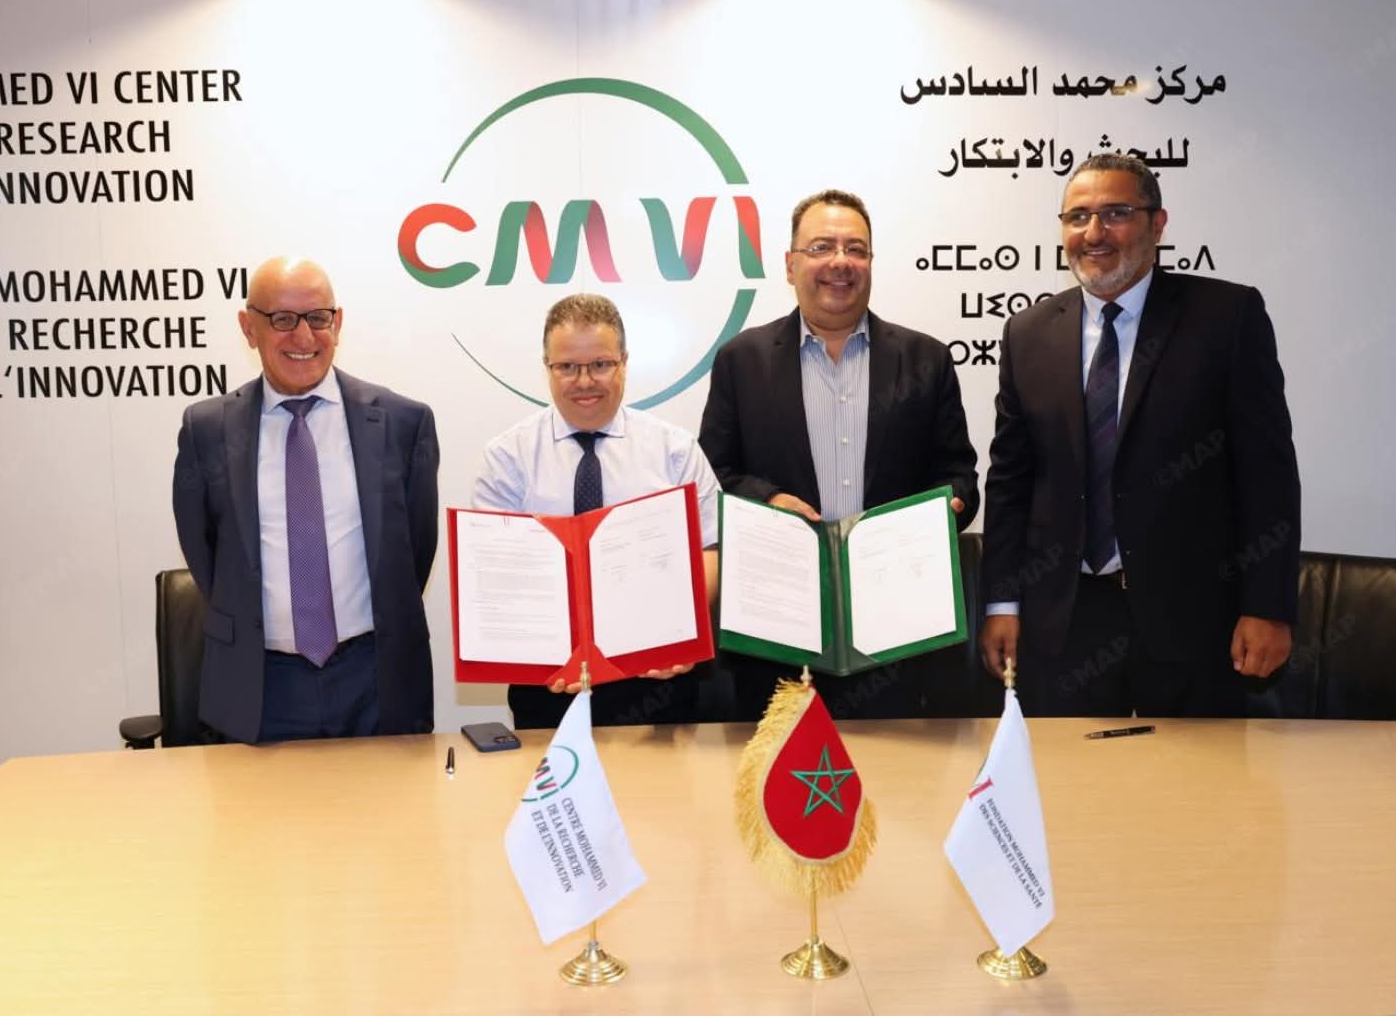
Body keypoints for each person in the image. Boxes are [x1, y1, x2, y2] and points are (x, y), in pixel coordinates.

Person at [979, 153, 1300, 717]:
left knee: (1198, 776)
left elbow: (1266, 474)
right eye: (1078, 217)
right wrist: (1002, 603)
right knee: (1068, 775)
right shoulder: (1028, 333)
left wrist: (1268, 606)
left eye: (1116, 214)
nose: (1094, 233)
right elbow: (1010, 483)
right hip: (1064, 624)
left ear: (1158, 224)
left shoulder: (1227, 317)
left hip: (1194, 623)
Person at [698, 188, 979, 720]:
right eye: (821, 247)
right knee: (780, 769)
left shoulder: (926, 358)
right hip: (778, 630)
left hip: (897, 631)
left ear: (871, 262)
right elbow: (714, 477)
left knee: (895, 770)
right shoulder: (741, 360)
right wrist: (770, 499)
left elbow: (958, 473)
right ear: (790, 265)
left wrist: (950, 505)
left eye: (856, 249)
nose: (840, 262)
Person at [173, 256, 439, 743]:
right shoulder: (206, 430)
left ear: (338, 323)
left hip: (376, 680)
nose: (303, 337)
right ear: (248, 328)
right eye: (282, 319)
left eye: (317, 318)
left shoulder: (403, 423)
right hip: (260, 685)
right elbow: (207, 556)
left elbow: (414, 552)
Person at [473, 293, 722, 729]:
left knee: (659, 779)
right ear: (547, 367)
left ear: (624, 362)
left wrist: (677, 634)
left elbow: (710, 551)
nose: (584, 381)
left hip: (656, 683)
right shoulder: (508, 458)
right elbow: (496, 572)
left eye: (601, 364)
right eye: (567, 367)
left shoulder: (674, 451)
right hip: (547, 686)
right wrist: (534, 649)